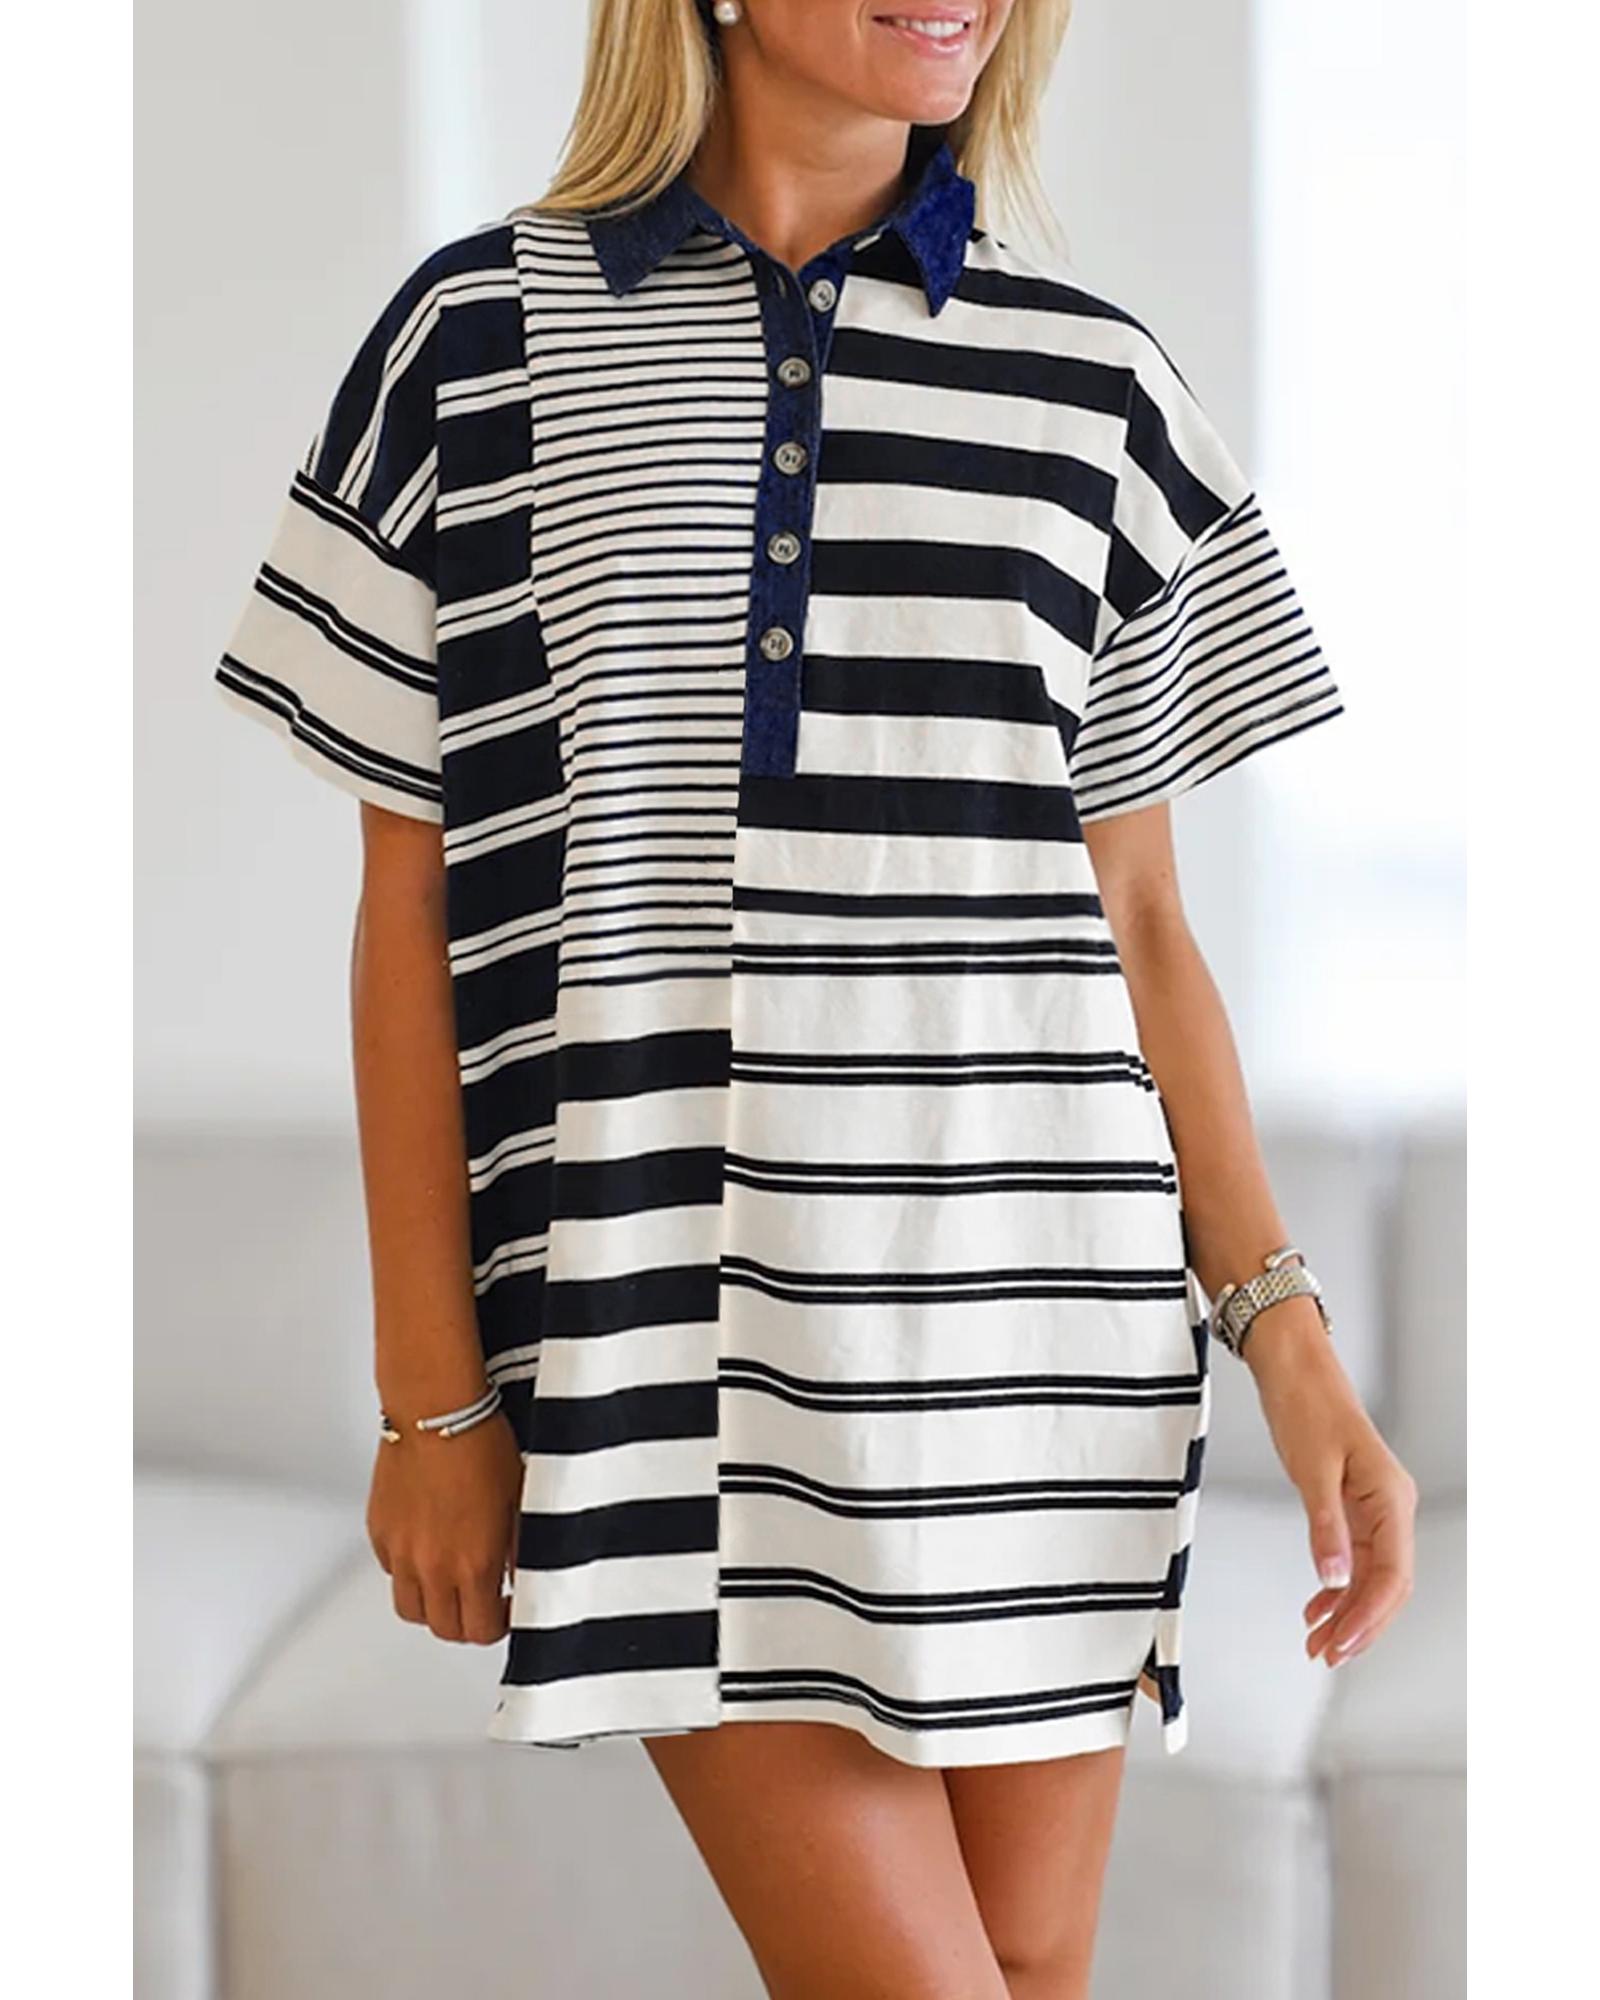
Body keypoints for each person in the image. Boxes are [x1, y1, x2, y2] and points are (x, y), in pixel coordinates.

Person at [214, 1, 1417, 1991]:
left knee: (1026, 1970)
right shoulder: (473, 346)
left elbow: (1137, 922)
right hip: (668, 1348)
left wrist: (1290, 1348)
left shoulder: (1093, 383)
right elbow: (405, 908)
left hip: (1046, 1347)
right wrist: (431, 1396)